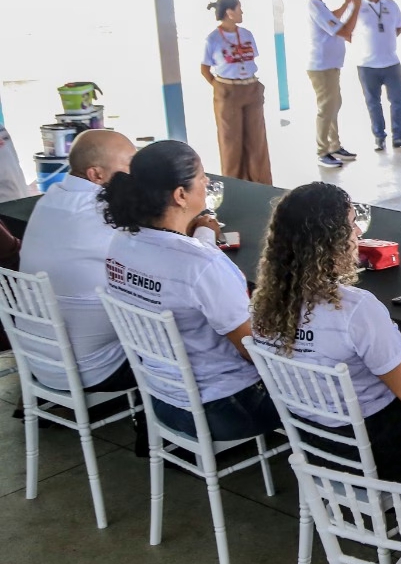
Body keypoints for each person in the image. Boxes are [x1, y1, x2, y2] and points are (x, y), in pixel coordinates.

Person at [250, 182, 401, 483]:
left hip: (316, 445)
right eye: (350, 225)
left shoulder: (261, 306)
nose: (358, 232)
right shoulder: (355, 309)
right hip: (381, 452)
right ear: (329, 241)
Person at [100, 140, 280, 440]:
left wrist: (203, 233)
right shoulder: (201, 264)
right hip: (227, 409)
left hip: (163, 400)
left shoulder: (120, 243)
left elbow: (181, 266)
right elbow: (253, 349)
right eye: (201, 176)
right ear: (180, 195)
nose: (207, 182)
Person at [17, 131, 143, 423]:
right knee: (181, 327)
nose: (137, 175)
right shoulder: (101, 214)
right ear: (96, 174)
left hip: (41, 361)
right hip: (92, 369)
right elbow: (160, 259)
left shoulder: (51, 198)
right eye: (130, 165)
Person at [199, 0, 273, 184]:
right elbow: (205, 69)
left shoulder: (247, 34)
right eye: (239, 9)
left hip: (251, 88)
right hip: (228, 91)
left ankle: (261, 184)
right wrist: (219, 87)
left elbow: (250, 59)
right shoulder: (213, 39)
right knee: (231, 143)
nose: (242, 12)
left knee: (257, 140)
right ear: (229, 12)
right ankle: (235, 185)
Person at [353, 0, 401, 152]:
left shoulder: (391, 4)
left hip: (391, 62)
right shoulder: (358, 7)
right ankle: (379, 137)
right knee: (373, 103)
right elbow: (348, 30)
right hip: (366, 64)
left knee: (398, 100)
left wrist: (384, 43)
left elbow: (398, 27)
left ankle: (398, 136)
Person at [304, 0, 360, 167]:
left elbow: (333, 19)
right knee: (326, 108)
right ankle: (322, 151)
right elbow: (344, 30)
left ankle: (334, 146)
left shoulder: (320, 6)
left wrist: (346, 6)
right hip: (322, 67)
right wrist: (356, 7)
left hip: (331, 65)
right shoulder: (314, 6)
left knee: (334, 105)